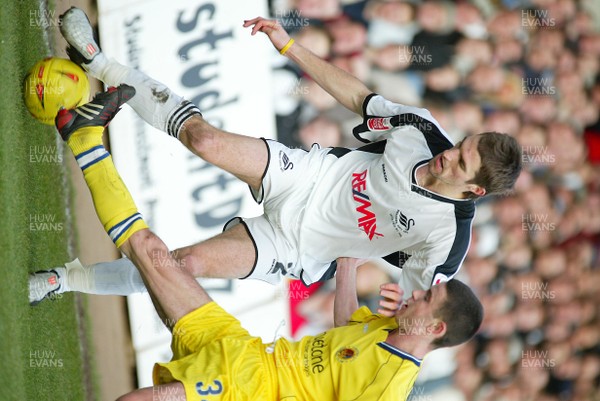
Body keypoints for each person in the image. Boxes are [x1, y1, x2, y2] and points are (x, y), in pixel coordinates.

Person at [29, 8, 521, 304]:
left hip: (302, 249)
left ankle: (64, 279)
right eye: (461, 146)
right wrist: (291, 47)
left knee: (179, 265)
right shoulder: (423, 130)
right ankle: (101, 63)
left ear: (474, 191)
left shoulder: (446, 241)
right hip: (308, 178)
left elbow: (417, 310)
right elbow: (361, 99)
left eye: (460, 164)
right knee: (205, 140)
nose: (448, 156)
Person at [52, 87, 484, 400]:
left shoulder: (387, 386)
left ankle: (63, 278)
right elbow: (347, 326)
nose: (415, 293)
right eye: (427, 288)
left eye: (427, 297)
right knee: (153, 252)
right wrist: (348, 263)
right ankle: (85, 136)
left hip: (248, 388)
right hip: (246, 350)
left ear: (435, 328)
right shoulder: (388, 328)